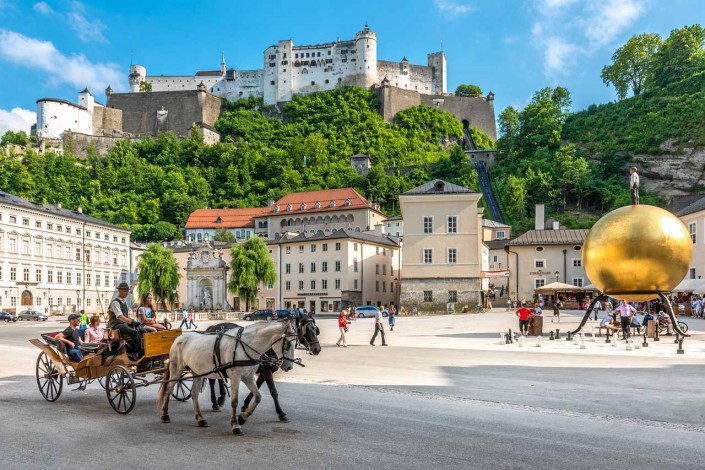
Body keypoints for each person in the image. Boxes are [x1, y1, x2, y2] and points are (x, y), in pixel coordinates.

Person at [107, 282, 143, 360]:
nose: (127, 293)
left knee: (141, 329)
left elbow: (126, 317)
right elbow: (120, 317)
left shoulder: (124, 302)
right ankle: (140, 352)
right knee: (134, 332)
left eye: (127, 291)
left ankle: (140, 348)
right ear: (119, 291)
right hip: (115, 326)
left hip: (123, 324)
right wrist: (132, 322)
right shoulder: (115, 303)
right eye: (125, 291)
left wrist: (134, 322)